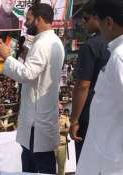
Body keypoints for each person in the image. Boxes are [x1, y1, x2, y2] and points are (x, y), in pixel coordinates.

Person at [0, 3, 65, 174]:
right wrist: (23, 55)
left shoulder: (43, 44)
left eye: (29, 20)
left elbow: (27, 74)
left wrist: (7, 56)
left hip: (36, 122)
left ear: (39, 20)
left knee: (39, 166)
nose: (26, 24)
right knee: (38, 163)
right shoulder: (53, 41)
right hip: (40, 117)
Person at [76, 0, 123, 174]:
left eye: (99, 20)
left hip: (109, 159)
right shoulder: (115, 53)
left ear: (109, 22)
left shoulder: (119, 58)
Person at [69, 2, 110, 163]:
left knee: (87, 162)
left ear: (97, 17)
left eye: (85, 18)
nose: (83, 23)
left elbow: (83, 86)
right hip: (112, 113)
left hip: (90, 114)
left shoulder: (91, 46)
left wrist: (74, 120)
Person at [56, 108, 70, 175]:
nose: (60, 110)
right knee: (49, 167)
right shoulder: (50, 116)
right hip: (51, 145)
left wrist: (59, 130)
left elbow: (68, 130)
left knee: (61, 167)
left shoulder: (65, 118)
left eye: (61, 109)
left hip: (62, 145)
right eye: (59, 109)